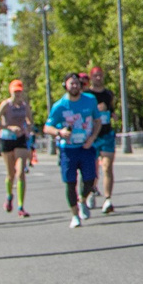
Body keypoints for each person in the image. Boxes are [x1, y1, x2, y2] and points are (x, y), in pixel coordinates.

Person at [44, 73, 103, 227]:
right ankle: (74, 215)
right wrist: (60, 132)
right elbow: (47, 127)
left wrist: (92, 138)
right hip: (68, 149)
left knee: (90, 180)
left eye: (77, 83)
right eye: (72, 83)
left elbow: (97, 121)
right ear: (65, 85)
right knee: (70, 183)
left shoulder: (89, 101)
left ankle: (82, 200)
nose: (75, 86)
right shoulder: (59, 106)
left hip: (86, 147)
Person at [0, 80, 35, 217]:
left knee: (20, 172)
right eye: (15, 91)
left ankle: (21, 206)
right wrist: (9, 127)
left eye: (19, 91)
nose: (17, 94)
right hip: (6, 139)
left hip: (20, 139)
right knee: (10, 174)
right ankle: (9, 196)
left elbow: (30, 121)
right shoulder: (6, 105)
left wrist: (27, 127)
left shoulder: (24, 105)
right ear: (11, 91)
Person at [86, 67, 118, 215]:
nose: (98, 78)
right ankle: (92, 192)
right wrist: (97, 110)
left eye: (100, 75)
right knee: (92, 169)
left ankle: (108, 199)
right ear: (91, 78)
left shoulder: (108, 94)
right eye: (95, 76)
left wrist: (112, 113)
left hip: (106, 134)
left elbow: (111, 109)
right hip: (92, 135)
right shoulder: (87, 95)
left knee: (107, 166)